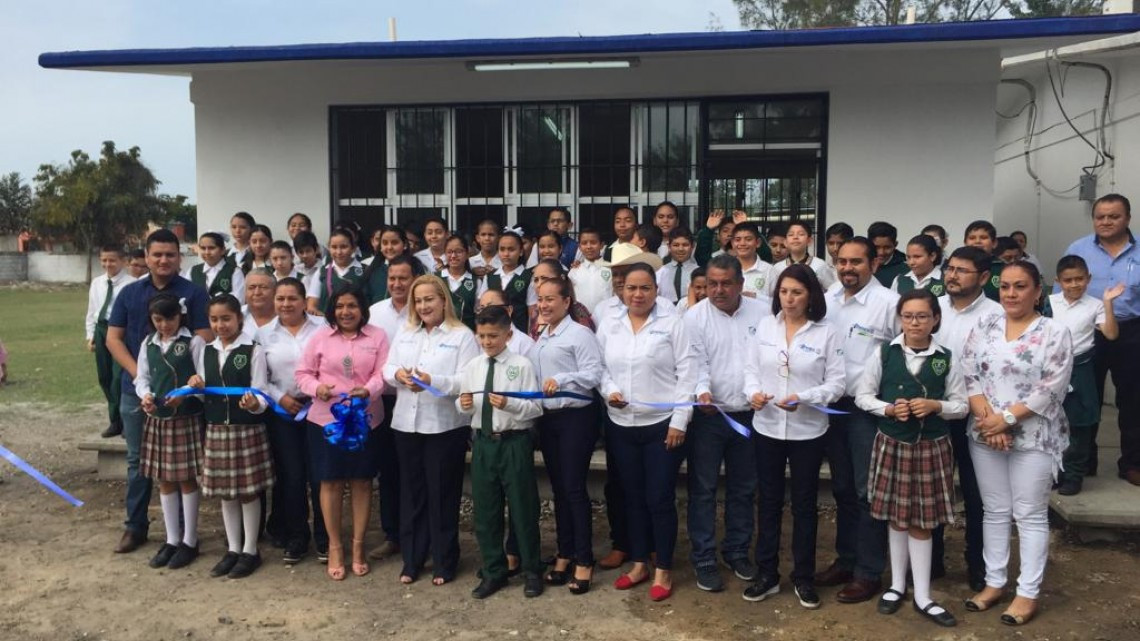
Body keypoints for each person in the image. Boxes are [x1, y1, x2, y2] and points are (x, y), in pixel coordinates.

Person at [961, 260, 1074, 626]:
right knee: (994, 510)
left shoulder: (1054, 332)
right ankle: (995, 582)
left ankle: (1027, 593)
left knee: (1029, 514)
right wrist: (989, 422)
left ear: (1038, 291)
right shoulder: (986, 323)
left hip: (1033, 436)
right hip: (985, 434)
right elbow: (969, 372)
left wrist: (1006, 419)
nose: (1011, 293)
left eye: (1020, 286)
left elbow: (1052, 387)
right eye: (1005, 286)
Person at [855, 290, 967, 627]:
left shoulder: (946, 357)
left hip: (932, 445)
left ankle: (923, 594)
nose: (914, 322)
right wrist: (887, 408)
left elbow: (961, 405)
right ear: (899, 319)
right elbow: (863, 395)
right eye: (908, 316)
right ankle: (896, 585)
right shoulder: (884, 353)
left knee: (922, 520)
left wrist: (937, 406)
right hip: (893, 442)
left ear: (935, 319)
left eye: (922, 316)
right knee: (896, 517)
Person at [743, 263, 844, 608]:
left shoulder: (826, 332)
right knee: (768, 502)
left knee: (804, 505)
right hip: (767, 427)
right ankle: (767, 574)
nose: (789, 299)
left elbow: (837, 383)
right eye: (784, 292)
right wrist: (753, 394)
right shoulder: (765, 328)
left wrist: (805, 397)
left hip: (808, 431)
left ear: (811, 295)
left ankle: (803, 577)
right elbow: (751, 371)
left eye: (797, 292)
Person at [106, 229, 211, 554]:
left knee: (180, 466)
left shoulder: (193, 294)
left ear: (179, 257)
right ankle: (136, 527)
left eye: (170, 254)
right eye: (157, 254)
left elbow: (205, 337)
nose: (163, 260)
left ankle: (181, 535)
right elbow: (113, 338)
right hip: (136, 391)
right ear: (146, 257)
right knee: (139, 461)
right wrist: (142, 378)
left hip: (182, 396)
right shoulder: (129, 293)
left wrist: (181, 384)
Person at [599, 262, 696, 602]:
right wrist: (609, 389)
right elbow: (601, 368)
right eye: (631, 288)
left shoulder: (672, 324)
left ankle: (663, 568)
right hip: (622, 425)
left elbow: (688, 373)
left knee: (658, 498)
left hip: (661, 426)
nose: (637, 294)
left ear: (657, 291)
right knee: (633, 498)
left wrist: (679, 421)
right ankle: (639, 563)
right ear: (621, 291)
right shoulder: (611, 325)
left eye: (645, 288)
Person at [816, 237, 900, 604]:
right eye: (842, 261)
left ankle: (869, 572)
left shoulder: (888, 305)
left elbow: (901, 356)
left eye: (856, 262)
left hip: (868, 412)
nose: (848, 268)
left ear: (874, 264)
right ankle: (846, 561)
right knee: (843, 489)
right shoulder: (830, 297)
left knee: (869, 493)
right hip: (833, 409)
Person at [384, 275, 480, 585]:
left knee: (441, 494)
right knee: (412, 494)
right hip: (406, 424)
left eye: (429, 299)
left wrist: (431, 380)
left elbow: (466, 380)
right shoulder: (406, 332)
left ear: (443, 301)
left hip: (443, 427)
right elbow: (387, 369)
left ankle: (444, 560)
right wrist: (400, 375)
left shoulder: (462, 335)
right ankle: (413, 559)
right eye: (419, 301)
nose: (424, 306)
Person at [685, 255, 771, 594]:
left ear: (741, 284)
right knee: (703, 489)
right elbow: (694, 362)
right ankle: (704, 556)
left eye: (726, 284)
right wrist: (702, 391)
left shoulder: (763, 312)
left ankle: (737, 550)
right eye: (712, 284)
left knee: (744, 487)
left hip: (752, 416)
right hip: (710, 417)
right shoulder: (694, 317)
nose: (718, 291)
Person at [296, 285, 389, 580]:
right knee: (331, 483)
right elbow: (302, 374)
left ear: (362, 308)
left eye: (352, 306)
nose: (345, 312)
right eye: (339, 306)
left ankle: (358, 546)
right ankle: (335, 546)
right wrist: (317, 389)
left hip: (365, 420)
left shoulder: (377, 336)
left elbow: (383, 373)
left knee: (362, 482)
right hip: (326, 422)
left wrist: (370, 390)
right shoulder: (320, 337)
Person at [459, 306, 545, 599]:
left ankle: (532, 569)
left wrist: (510, 404)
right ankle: (494, 570)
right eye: (482, 336)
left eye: (493, 335)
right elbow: (462, 403)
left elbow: (535, 408)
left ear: (508, 334)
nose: (487, 342)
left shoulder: (520, 365)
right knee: (486, 512)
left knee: (523, 508)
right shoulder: (473, 366)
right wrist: (465, 405)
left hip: (513, 442)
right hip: (483, 443)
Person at [528, 277, 605, 594]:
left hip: (576, 418)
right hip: (549, 419)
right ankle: (564, 552)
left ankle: (584, 559)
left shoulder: (580, 334)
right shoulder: (542, 335)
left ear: (566, 302)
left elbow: (594, 374)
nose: (544, 305)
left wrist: (562, 379)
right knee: (559, 489)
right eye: (540, 299)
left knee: (574, 488)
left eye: (550, 299)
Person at [932, 246, 1001, 592]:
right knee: (931, 491)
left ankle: (979, 566)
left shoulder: (996, 315)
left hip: (977, 417)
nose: (952, 276)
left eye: (962, 270)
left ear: (984, 277)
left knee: (977, 496)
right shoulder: (934, 309)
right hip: (935, 414)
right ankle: (931, 562)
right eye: (950, 268)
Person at [191, 294, 273, 579]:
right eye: (214, 319)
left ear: (239, 318)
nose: (220, 325)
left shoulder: (252, 350)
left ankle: (251, 549)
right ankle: (233, 548)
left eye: (226, 318)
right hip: (217, 430)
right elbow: (205, 394)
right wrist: (196, 385)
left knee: (248, 491)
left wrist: (254, 405)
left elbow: (261, 393)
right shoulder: (208, 350)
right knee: (226, 492)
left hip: (246, 429)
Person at [1061, 193, 1140, 484]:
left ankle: (1132, 463)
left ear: (1127, 218)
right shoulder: (1078, 249)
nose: (1106, 221)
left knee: (1133, 400)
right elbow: (1063, 296)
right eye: (1100, 216)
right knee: (1084, 398)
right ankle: (1085, 460)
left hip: (1132, 332)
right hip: (1087, 333)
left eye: (1113, 216)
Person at [134, 293, 206, 570]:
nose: (165, 325)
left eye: (170, 319)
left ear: (181, 316)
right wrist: (146, 395)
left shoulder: (192, 342)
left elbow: (202, 379)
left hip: (185, 418)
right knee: (164, 479)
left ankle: (190, 539)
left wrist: (186, 393)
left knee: (186, 478)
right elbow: (143, 377)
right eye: (158, 320)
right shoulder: (148, 343)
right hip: (159, 419)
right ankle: (171, 539)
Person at [258, 276, 326, 565]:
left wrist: (318, 393)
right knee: (292, 476)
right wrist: (280, 398)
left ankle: (325, 537)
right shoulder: (263, 335)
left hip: (320, 411)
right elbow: (260, 379)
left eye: (292, 298)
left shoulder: (323, 329)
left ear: (304, 301)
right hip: (283, 413)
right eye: (281, 299)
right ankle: (297, 536)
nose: (286, 304)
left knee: (321, 476)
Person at [1048, 255, 1123, 495]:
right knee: (1050, 421)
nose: (1074, 285)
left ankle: (1073, 475)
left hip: (1081, 367)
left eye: (1079, 279)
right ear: (1058, 281)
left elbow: (1110, 334)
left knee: (1079, 423)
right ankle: (1055, 472)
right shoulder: (1049, 303)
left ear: (1088, 279)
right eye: (1068, 280)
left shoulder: (1095, 305)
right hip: (1050, 368)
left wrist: (1108, 303)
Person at [364, 254, 419, 562]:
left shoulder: (426, 310)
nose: (397, 284)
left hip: (417, 401)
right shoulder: (374, 313)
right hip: (383, 401)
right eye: (392, 278)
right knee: (387, 471)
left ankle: (415, 534)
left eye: (403, 278)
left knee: (413, 472)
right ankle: (392, 534)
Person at [86, 244, 135, 438]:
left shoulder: (131, 283)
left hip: (121, 330)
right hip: (101, 329)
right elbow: (92, 311)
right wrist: (90, 335)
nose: (108, 264)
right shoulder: (97, 282)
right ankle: (114, 420)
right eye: (104, 260)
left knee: (118, 377)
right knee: (105, 377)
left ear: (123, 261)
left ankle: (124, 421)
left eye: (112, 260)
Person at [477, 230, 531, 333]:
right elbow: (482, 306)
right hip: (493, 332)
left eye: (511, 249)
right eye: (502, 249)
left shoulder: (528, 277)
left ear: (520, 251)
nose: (506, 254)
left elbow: (532, 311)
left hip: (519, 332)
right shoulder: (490, 277)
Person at [527, 259, 595, 338]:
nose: (539, 284)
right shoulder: (536, 311)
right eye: (536, 280)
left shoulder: (578, 312)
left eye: (544, 278)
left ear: (561, 278)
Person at [307, 229, 365, 315]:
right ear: (329, 248)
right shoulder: (321, 272)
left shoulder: (365, 271)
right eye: (334, 247)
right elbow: (311, 306)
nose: (338, 252)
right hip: (328, 325)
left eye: (343, 247)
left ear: (353, 248)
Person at [362, 225, 418, 304]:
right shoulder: (372, 270)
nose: (389, 247)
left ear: (405, 244)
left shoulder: (415, 267)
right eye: (385, 243)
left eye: (394, 243)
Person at [775, 220, 835, 291]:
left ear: (809, 241)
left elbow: (832, 291)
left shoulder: (820, 265)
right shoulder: (777, 268)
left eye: (801, 234)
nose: (795, 237)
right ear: (785, 242)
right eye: (791, 235)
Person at [186, 232, 245, 302]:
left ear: (223, 250)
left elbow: (239, 300)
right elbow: (186, 296)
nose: (207, 252)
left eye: (211, 248)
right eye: (203, 248)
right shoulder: (193, 271)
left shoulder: (234, 271)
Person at [438, 235, 477, 330]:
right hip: (440, 334)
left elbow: (479, 313)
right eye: (449, 252)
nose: (453, 256)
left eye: (459, 251)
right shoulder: (435, 279)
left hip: (467, 334)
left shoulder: (476, 282)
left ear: (467, 254)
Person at [568, 227, 611, 312]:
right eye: (584, 243)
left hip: (606, 318)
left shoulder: (610, 269)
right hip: (581, 320)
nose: (589, 246)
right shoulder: (574, 271)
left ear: (602, 245)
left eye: (593, 242)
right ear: (579, 247)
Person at [963, 220, 1004, 301]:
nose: (977, 241)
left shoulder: (1003, 269)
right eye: (972, 238)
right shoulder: (955, 267)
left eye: (983, 237)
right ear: (965, 242)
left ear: (994, 243)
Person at [732, 222, 773, 299]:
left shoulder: (769, 271)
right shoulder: (726, 269)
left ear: (758, 243)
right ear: (732, 243)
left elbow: (778, 303)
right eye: (738, 240)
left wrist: (756, 297)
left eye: (748, 239)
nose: (742, 243)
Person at [657, 228, 698, 304]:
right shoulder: (661, 271)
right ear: (669, 246)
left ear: (693, 246)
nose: (681, 249)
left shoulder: (698, 272)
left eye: (685, 245)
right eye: (676, 245)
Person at [869, 221, 909, 288]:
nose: (881, 252)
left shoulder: (906, 270)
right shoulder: (860, 265)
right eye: (876, 247)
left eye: (887, 247)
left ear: (895, 244)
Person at [241, 269, 277, 340]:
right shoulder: (236, 315)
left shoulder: (286, 318)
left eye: (263, 287)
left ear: (275, 291)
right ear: (245, 292)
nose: (257, 293)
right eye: (251, 288)